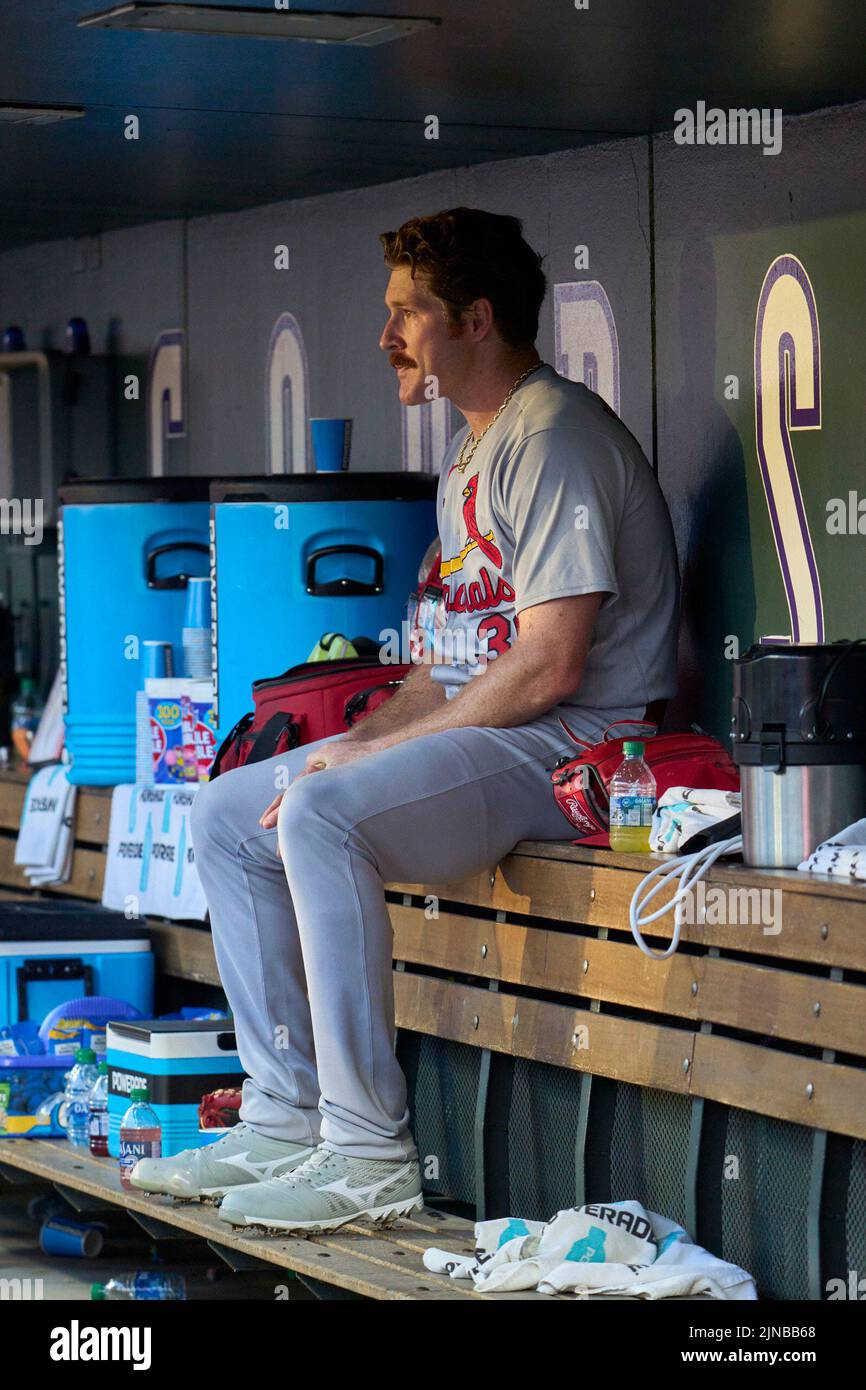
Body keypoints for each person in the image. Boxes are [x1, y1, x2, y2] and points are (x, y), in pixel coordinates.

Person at [131, 207, 680, 1235]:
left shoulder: (552, 434)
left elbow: (551, 664)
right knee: (224, 812)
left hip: (587, 752)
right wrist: (358, 737)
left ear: (474, 318)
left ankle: (366, 1153)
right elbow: (448, 666)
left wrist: (360, 762)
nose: (385, 335)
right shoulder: (471, 454)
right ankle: (283, 1114)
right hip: (507, 738)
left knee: (321, 813)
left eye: (406, 313)